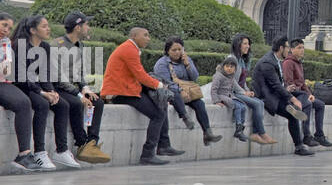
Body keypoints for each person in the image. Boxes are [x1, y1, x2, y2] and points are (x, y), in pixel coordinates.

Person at [102, 27, 184, 165]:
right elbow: (140, 75)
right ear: (134, 36)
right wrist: (159, 85)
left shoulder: (130, 48)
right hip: (121, 92)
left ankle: (163, 145)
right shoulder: (129, 49)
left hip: (128, 89)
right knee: (158, 114)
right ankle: (148, 154)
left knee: (161, 102)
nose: (148, 38)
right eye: (145, 35)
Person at [14, 15, 77, 168]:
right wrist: (42, 93)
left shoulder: (45, 47)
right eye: (44, 26)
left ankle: (61, 151)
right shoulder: (20, 46)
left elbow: (45, 73)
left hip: (36, 86)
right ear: (32, 30)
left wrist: (50, 90)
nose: (48, 29)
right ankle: (40, 152)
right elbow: (22, 77)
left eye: (48, 25)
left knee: (62, 105)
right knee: (42, 104)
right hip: (21, 86)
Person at [52, 12, 110, 164]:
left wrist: (85, 88)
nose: (88, 27)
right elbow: (58, 78)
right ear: (78, 27)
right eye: (86, 24)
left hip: (73, 89)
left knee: (97, 102)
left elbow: (80, 72)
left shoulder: (79, 45)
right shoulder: (57, 45)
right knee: (78, 103)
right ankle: (82, 143)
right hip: (59, 88)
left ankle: (92, 144)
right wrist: (79, 95)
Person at [152, 37, 222, 146]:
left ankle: (207, 133)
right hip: (171, 93)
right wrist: (180, 90)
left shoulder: (186, 59)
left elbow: (194, 78)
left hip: (187, 93)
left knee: (199, 103)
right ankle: (185, 117)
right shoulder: (162, 64)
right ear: (167, 51)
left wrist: (188, 65)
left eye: (179, 49)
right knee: (174, 93)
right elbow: (166, 83)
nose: (177, 52)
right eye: (174, 50)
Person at [253, 36, 313, 156]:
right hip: (268, 98)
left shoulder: (274, 60)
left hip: (276, 95)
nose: (288, 50)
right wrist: (293, 98)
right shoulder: (267, 62)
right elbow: (275, 86)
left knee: (295, 109)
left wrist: (288, 92)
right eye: (287, 48)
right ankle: (299, 146)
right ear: (281, 48)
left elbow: (277, 85)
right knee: (293, 115)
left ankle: (301, 142)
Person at [1, 11, 43, 171]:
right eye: (4, 25)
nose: (6, 30)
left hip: (2, 83)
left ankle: (24, 155)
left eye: (10, 28)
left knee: (24, 102)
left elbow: (7, 69)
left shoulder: (5, 43)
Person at [285, 39, 332, 147]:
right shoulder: (288, 63)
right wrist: (304, 94)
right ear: (292, 49)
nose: (302, 50)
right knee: (307, 104)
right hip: (294, 95)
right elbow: (289, 83)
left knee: (320, 104)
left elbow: (302, 83)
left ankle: (319, 135)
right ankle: (306, 136)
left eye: (303, 47)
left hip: (302, 94)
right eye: (299, 48)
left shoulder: (299, 63)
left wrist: (309, 94)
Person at [228, 33, 274, 144]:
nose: (248, 46)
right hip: (232, 93)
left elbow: (242, 80)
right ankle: (261, 133)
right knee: (257, 104)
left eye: (248, 44)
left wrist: (247, 90)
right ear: (238, 45)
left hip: (239, 91)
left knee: (260, 103)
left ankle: (255, 133)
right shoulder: (231, 59)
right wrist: (243, 92)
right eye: (245, 44)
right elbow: (231, 80)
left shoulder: (242, 61)